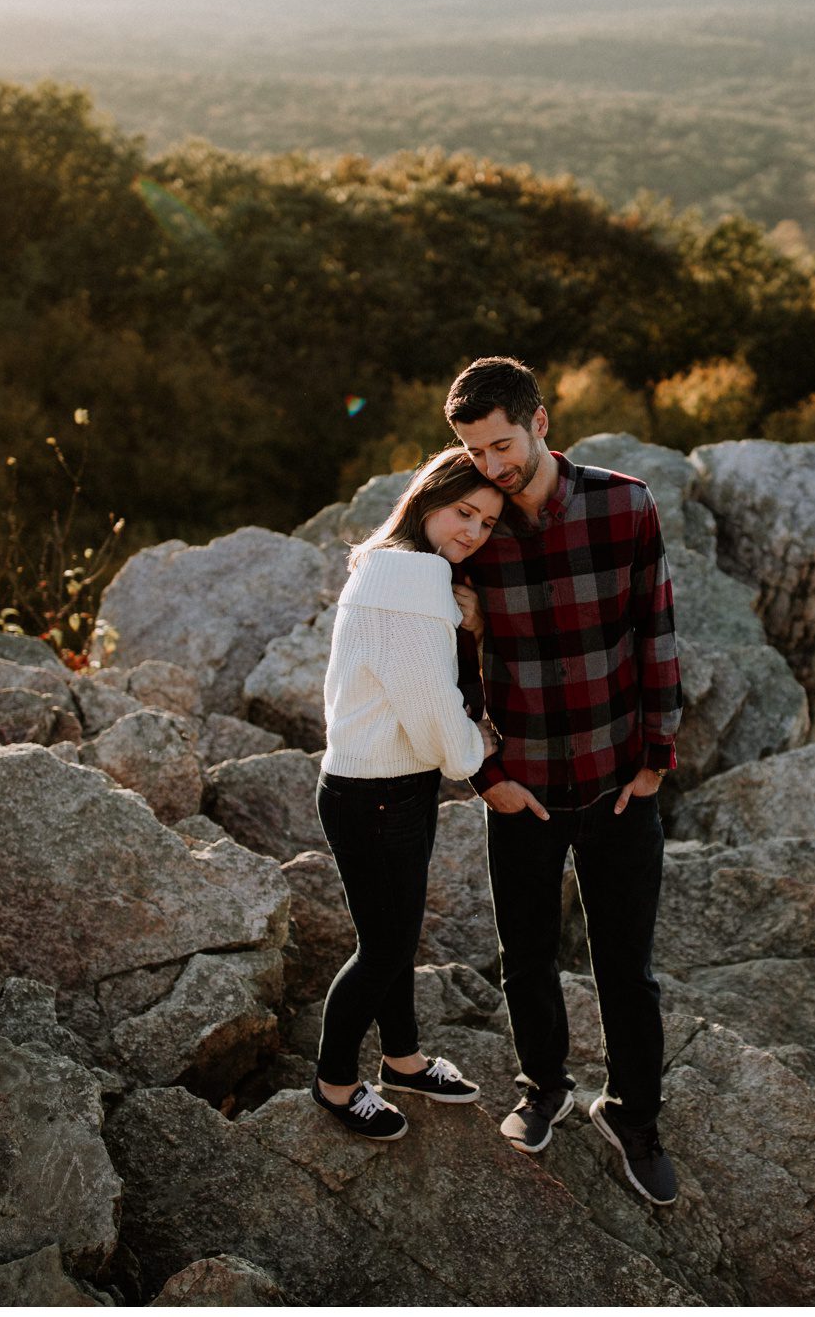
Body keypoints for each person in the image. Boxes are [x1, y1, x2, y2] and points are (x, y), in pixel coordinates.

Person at [447, 355, 683, 1206]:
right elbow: (454, 664)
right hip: (523, 789)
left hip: (620, 780)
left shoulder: (626, 505)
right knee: (527, 959)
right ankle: (542, 1086)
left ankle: (633, 1114)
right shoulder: (473, 526)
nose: (493, 467)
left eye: (502, 444)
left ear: (540, 423)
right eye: (476, 452)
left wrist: (657, 758)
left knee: (629, 969)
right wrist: (488, 778)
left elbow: (656, 628)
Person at [311, 447, 505, 1140]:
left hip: (377, 786)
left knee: (391, 938)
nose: (472, 533)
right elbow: (437, 720)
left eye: (486, 523)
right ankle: (335, 1083)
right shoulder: (412, 576)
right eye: (463, 512)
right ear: (428, 500)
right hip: (379, 795)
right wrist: (480, 747)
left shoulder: (388, 565)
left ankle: (403, 1059)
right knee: (385, 950)